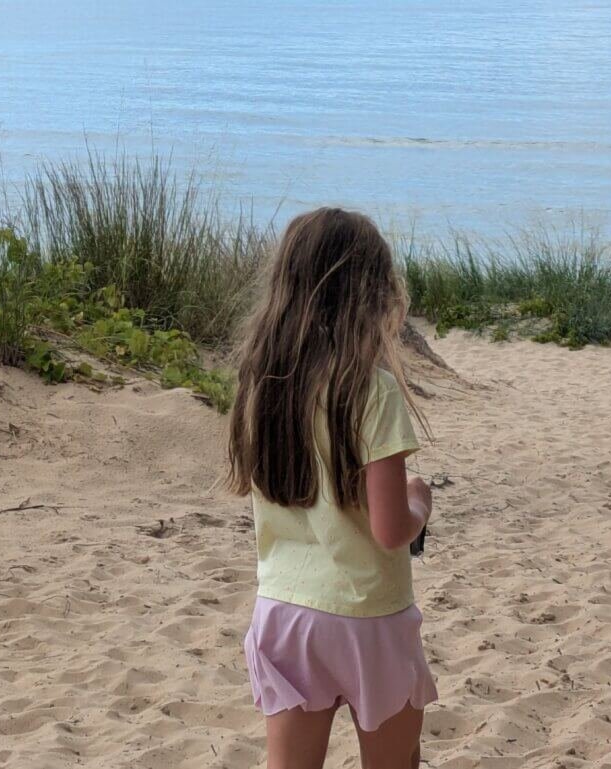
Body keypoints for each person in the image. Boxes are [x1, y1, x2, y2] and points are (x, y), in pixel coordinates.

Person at [227, 208, 438, 769]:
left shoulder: (261, 383)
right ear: (372, 296)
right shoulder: (372, 391)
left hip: (284, 611)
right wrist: (419, 501)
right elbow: (389, 529)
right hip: (368, 613)